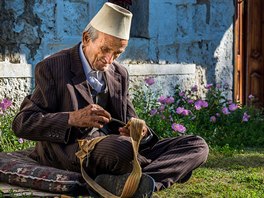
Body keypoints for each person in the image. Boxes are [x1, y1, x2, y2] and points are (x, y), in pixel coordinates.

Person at [12, 2, 209, 196]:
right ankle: (159, 171)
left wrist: (143, 132)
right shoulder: (53, 67)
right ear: (86, 38)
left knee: (197, 146)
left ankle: (138, 181)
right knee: (124, 150)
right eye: (105, 49)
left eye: (117, 53)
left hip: (118, 148)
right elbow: (23, 123)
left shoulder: (119, 74)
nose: (109, 59)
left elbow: (131, 121)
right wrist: (72, 118)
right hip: (76, 149)